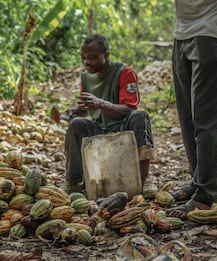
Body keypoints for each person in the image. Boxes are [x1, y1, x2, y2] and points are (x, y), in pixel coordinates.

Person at [168, 1, 217, 218]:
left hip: (211, 29)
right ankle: (198, 179)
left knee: (205, 118)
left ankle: (206, 194)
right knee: (187, 117)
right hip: (183, 30)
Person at [63, 33, 154, 194]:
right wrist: (76, 111)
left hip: (122, 129)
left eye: (92, 57)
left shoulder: (124, 72)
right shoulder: (86, 77)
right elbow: (87, 112)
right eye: (83, 57)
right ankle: (73, 181)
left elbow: (129, 110)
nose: (87, 62)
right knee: (76, 124)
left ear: (106, 55)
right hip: (100, 129)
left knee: (141, 116)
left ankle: (144, 180)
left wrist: (100, 103)